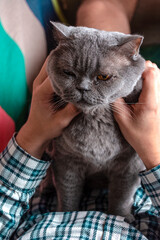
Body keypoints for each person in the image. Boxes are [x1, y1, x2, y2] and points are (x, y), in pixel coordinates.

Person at [0, 0, 160, 239]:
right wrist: (152, 151)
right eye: (70, 74)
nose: (83, 88)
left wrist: (33, 133)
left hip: (45, 208)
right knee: (100, 15)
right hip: (140, 205)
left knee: (98, 16)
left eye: (103, 77)